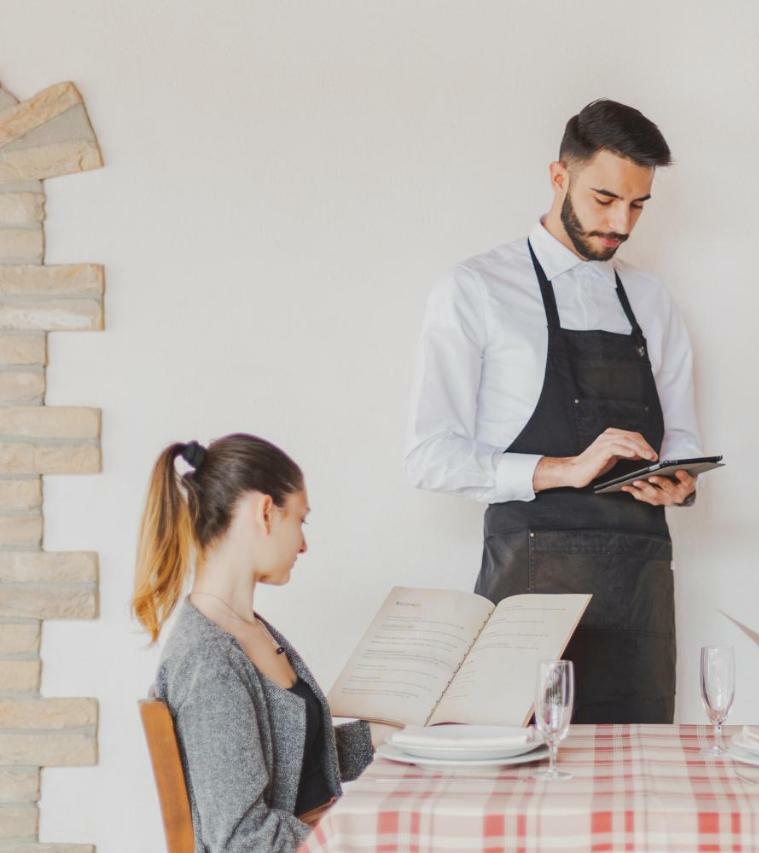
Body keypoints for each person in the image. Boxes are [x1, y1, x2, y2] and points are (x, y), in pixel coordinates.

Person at [404, 99, 704, 723]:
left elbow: (679, 436)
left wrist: (679, 481)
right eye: (605, 199)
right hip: (528, 598)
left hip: (640, 596)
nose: (622, 222)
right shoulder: (477, 289)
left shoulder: (651, 301)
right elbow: (429, 456)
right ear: (558, 176)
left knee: (635, 796)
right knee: (524, 797)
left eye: (639, 205)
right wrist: (565, 470)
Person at [133, 434, 383, 852]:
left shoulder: (245, 631)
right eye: (300, 520)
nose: (304, 543)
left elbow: (288, 759)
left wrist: (384, 738)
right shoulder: (209, 661)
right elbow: (242, 840)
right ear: (266, 512)